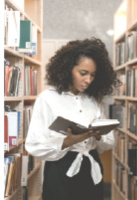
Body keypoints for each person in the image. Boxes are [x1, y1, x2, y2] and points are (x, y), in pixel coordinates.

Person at [25, 38, 120, 200]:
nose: (88, 80)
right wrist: (67, 141)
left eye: (93, 75)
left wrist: (97, 134)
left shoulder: (93, 100)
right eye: (83, 73)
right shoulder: (47, 98)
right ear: (68, 68)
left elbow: (108, 143)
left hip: (91, 166)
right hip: (60, 168)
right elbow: (34, 146)